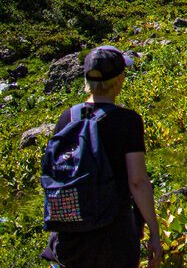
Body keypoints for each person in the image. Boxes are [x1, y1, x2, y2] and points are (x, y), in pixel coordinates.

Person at [40, 46, 163, 268]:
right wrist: (154, 231)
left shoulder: (67, 117)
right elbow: (137, 182)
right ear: (119, 80)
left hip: (70, 235)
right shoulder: (128, 121)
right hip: (113, 234)